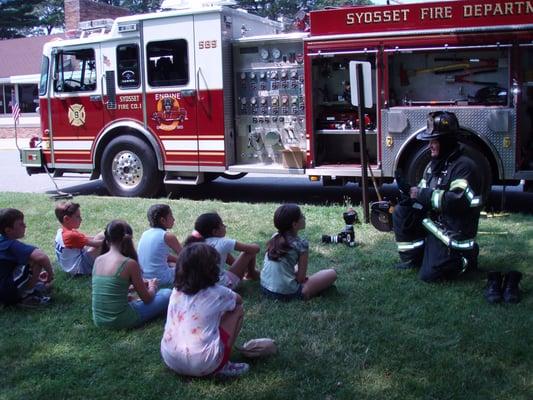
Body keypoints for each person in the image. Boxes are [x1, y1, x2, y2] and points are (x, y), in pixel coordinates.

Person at [392, 111, 483, 282]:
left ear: (446, 141)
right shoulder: (437, 164)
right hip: (437, 223)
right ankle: (415, 259)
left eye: (434, 141)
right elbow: (422, 190)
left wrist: (421, 194)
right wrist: (409, 193)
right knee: (402, 211)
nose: (429, 146)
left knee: (430, 276)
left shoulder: (464, 167)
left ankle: (465, 259)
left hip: (454, 231)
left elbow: (456, 201)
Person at [161, 242, 249, 378]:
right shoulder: (218, 292)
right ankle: (223, 365)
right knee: (237, 309)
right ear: (212, 269)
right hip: (203, 365)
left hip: (171, 358)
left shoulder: (176, 291)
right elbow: (238, 300)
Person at [92, 220, 171, 329]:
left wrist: (132, 289)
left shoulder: (98, 260)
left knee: (135, 299)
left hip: (99, 320)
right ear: (128, 240)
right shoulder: (129, 263)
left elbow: (110, 288)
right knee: (167, 293)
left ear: (107, 240)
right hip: (122, 320)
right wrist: (153, 286)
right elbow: (147, 299)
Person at [261, 204, 337, 300]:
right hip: (287, 293)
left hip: (265, 288)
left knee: (295, 268)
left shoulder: (275, 237)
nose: (304, 217)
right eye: (301, 216)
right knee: (332, 273)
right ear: (294, 224)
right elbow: (301, 279)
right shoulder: (301, 244)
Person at [184, 213, 260, 290]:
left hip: (200, 286)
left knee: (224, 253)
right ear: (215, 232)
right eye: (222, 225)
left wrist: (240, 266)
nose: (225, 226)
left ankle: (248, 271)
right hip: (221, 286)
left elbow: (226, 256)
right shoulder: (224, 243)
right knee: (250, 250)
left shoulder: (196, 243)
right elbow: (254, 249)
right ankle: (252, 273)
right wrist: (255, 246)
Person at [0, 208, 54, 307]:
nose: (25, 226)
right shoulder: (11, 244)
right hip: (7, 291)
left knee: (26, 261)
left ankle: (29, 287)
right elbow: (41, 257)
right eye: (20, 224)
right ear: (8, 230)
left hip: (3, 287)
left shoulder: (2, 240)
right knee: (34, 260)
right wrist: (50, 274)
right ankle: (27, 296)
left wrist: (34, 276)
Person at [54, 201, 104, 275]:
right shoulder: (71, 235)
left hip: (70, 266)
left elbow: (85, 239)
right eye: (78, 216)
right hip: (79, 268)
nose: (81, 219)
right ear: (66, 219)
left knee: (101, 236)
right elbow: (96, 244)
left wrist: (99, 236)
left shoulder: (61, 231)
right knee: (104, 243)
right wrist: (113, 239)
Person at [138, 204, 182, 287]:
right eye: (171, 216)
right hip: (160, 279)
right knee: (190, 268)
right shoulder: (167, 236)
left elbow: (159, 255)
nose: (174, 219)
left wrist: (176, 260)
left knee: (172, 264)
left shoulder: (145, 234)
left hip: (144, 277)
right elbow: (186, 256)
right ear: (163, 220)